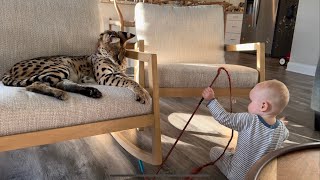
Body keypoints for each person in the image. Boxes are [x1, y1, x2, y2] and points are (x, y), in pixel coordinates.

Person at [202, 79, 290, 180]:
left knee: (214, 151)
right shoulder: (282, 130)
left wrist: (211, 100)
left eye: (251, 101)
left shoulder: (248, 120)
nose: (249, 103)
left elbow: (223, 117)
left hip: (237, 175)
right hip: (259, 176)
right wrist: (280, 124)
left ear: (263, 106)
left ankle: (232, 156)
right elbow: (284, 135)